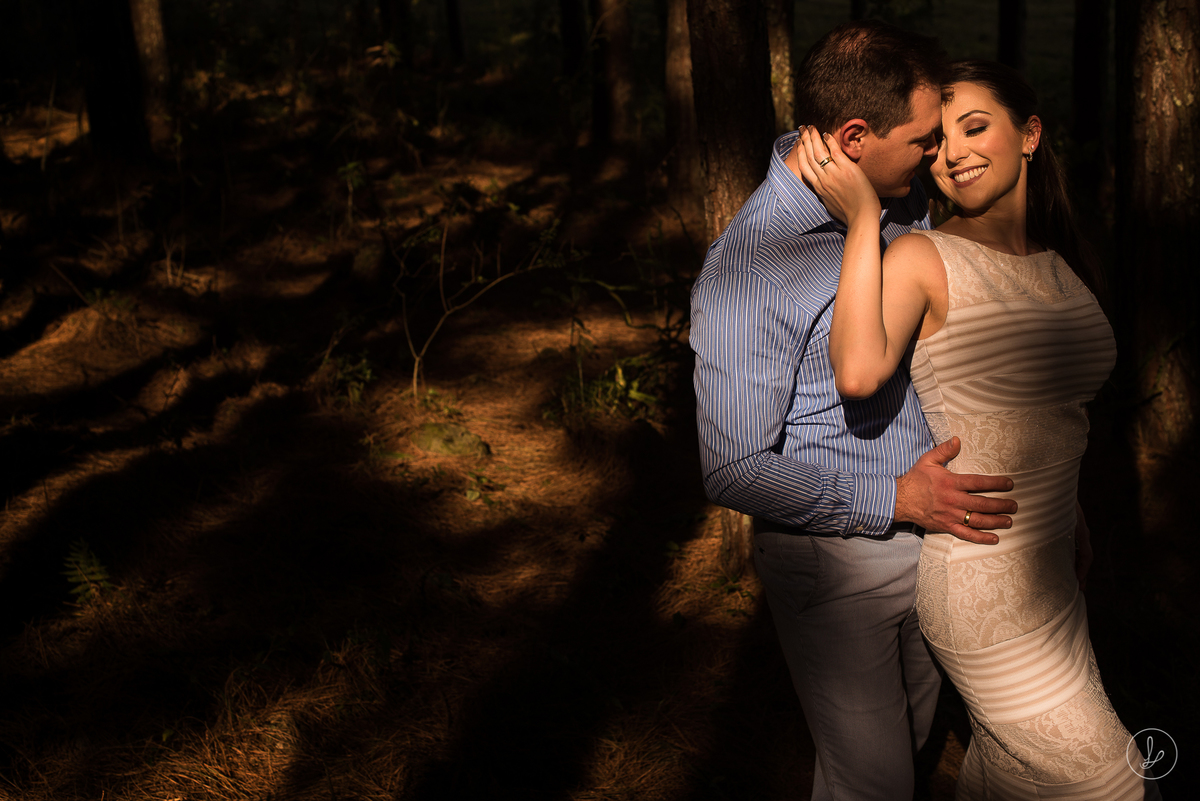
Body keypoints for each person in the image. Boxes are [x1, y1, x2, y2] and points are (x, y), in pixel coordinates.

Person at [794, 60, 1159, 799]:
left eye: (975, 126)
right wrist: (865, 218)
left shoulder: (1062, 259)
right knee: (1115, 783)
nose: (954, 152)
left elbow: (1047, 410)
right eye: (938, 142)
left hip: (1053, 569)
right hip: (983, 577)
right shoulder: (924, 255)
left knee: (1009, 771)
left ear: (1029, 135)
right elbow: (859, 371)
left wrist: (1070, 506)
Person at [690, 22, 1019, 801]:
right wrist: (894, 498)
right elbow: (732, 468)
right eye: (921, 140)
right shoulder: (750, 272)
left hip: (933, 540)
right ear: (853, 136)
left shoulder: (898, 195)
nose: (936, 156)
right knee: (870, 781)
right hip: (837, 562)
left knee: (904, 750)